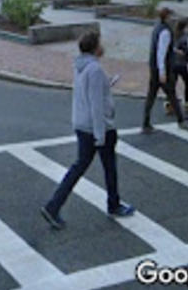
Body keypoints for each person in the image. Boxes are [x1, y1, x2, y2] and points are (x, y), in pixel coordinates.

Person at [40, 30, 135, 229]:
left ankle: (54, 205)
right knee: (109, 167)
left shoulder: (80, 67)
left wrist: (105, 86)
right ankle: (113, 204)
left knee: (79, 167)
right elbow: (96, 105)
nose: (103, 46)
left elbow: (89, 94)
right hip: (97, 128)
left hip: (82, 124)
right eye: (101, 43)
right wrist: (100, 135)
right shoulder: (95, 70)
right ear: (95, 47)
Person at [142, 8, 188, 132]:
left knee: (151, 95)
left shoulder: (157, 27)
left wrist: (175, 51)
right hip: (164, 68)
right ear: (167, 18)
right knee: (172, 94)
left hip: (154, 67)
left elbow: (161, 48)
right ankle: (181, 120)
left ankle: (145, 122)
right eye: (171, 17)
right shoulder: (166, 32)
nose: (174, 20)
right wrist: (162, 72)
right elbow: (161, 52)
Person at [168, 20, 188, 116]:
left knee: (173, 84)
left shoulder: (173, 35)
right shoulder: (184, 38)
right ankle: (187, 102)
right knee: (187, 83)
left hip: (173, 64)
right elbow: (185, 51)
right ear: (184, 27)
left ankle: (171, 103)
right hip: (182, 64)